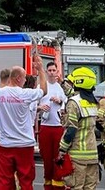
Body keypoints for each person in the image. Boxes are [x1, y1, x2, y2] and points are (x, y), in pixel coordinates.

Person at [0, 56, 48, 190]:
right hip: (25, 144)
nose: (26, 80)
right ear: (18, 78)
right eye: (25, 77)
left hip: (5, 144)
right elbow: (44, 90)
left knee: (5, 180)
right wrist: (40, 70)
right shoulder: (25, 94)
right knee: (26, 181)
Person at [57, 67, 99, 190]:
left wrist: (62, 150)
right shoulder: (93, 102)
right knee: (90, 187)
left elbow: (71, 130)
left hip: (77, 155)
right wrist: (62, 83)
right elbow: (75, 94)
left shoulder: (73, 103)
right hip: (92, 155)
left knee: (76, 186)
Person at [38, 61, 67, 190]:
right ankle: (48, 185)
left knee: (58, 158)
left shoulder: (60, 88)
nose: (51, 73)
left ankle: (58, 184)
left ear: (57, 72)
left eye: (53, 70)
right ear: (46, 71)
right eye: (49, 70)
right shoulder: (41, 86)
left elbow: (66, 103)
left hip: (58, 127)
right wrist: (40, 107)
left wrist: (59, 101)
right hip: (45, 126)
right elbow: (32, 106)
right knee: (46, 159)